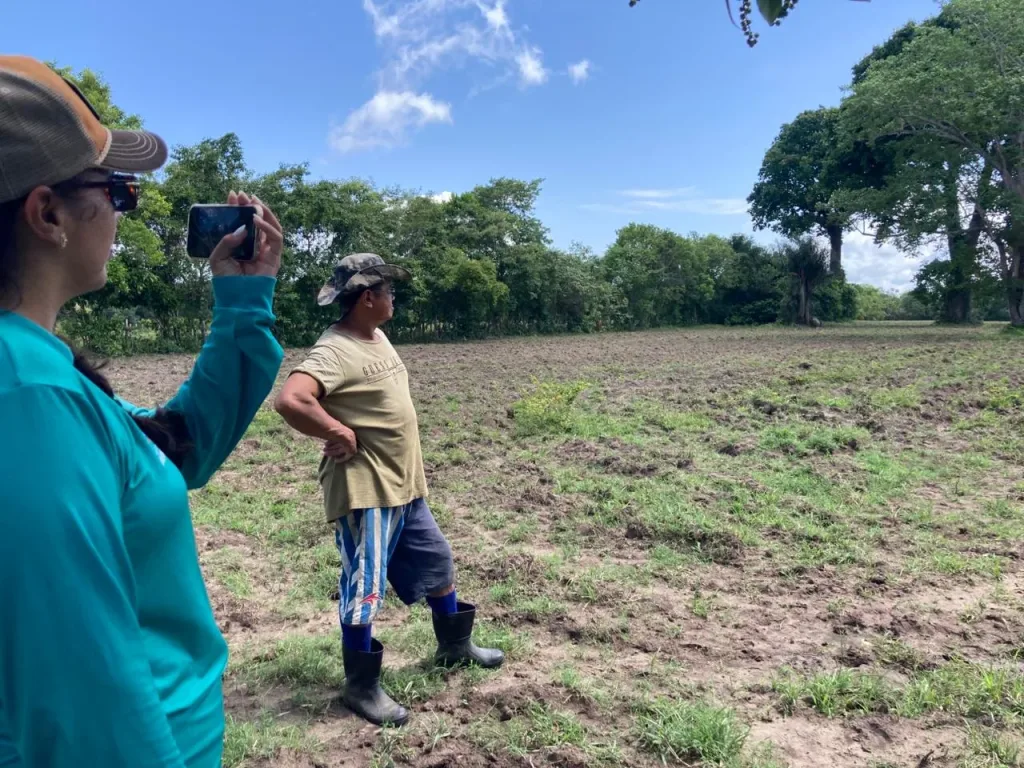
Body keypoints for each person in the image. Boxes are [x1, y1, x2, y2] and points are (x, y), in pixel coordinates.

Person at [0, 56, 285, 767]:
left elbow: (167, 451)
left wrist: (243, 303)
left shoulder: (38, 367)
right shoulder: (26, 396)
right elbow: (81, 695)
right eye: (118, 190)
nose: (124, 212)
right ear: (47, 214)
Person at [274, 253, 504, 726]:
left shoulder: (376, 336)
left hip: (404, 485)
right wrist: (335, 432)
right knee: (366, 587)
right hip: (368, 489)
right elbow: (291, 399)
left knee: (437, 561)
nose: (394, 298)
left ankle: (454, 646)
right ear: (367, 298)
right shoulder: (333, 350)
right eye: (388, 292)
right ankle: (361, 686)